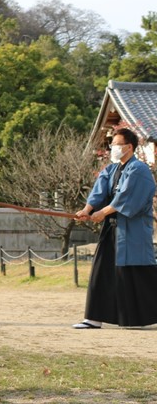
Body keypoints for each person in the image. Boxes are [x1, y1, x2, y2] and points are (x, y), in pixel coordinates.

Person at [73, 127, 157, 329]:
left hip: (133, 232)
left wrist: (103, 213)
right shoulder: (111, 170)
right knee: (102, 270)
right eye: (112, 145)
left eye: (117, 145)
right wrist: (87, 210)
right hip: (112, 229)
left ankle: (135, 319)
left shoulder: (139, 170)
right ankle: (93, 318)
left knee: (136, 274)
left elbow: (126, 198)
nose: (113, 148)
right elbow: (98, 192)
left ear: (129, 147)